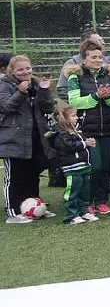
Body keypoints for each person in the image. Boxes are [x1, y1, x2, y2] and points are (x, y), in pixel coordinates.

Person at [65, 43, 110, 216]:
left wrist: (108, 97)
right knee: (94, 167)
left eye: (100, 57)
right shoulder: (75, 77)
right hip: (88, 129)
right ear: (84, 59)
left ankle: (102, 201)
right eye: (93, 57)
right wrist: (95, 96)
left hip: (109, 128)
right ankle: (87, 201)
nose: (98, 60)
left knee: (106, 167)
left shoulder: (109, 75)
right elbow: (74, 102)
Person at [1, 56, 56, 224]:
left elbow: (49, 107)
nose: (25, 72)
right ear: (12, 71)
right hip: (14, 138)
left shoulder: (36, 84)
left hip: (36, 138)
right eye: (20, 69)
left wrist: (44, 91)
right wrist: (20, 93)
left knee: (33, 175)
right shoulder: (5, 85)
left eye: (28, 68)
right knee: (14, 177)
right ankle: (13, 212)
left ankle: (33, 207)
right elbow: (6, 107)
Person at [41, 103, 92, 224]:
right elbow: (68, 146)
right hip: (72, 167)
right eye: (73, 115)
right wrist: (84, 144)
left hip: (83, 165)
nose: (77, 117)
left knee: (84, 191)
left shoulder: (76, 129)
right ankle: (71, 215)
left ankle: (84, 212)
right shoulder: (59, 133)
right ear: (64, 118)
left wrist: (89, 142)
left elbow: (81, 143)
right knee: (72, 191)